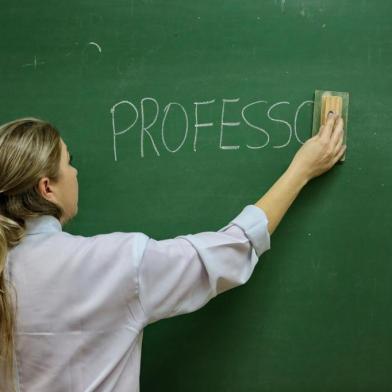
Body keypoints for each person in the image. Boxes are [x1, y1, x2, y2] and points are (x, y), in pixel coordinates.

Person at [0, 113, 345, 391]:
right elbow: (232, 250)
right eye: (68, 162)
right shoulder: (115, 264)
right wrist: (301, 170)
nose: (75, 172)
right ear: (47, 187)